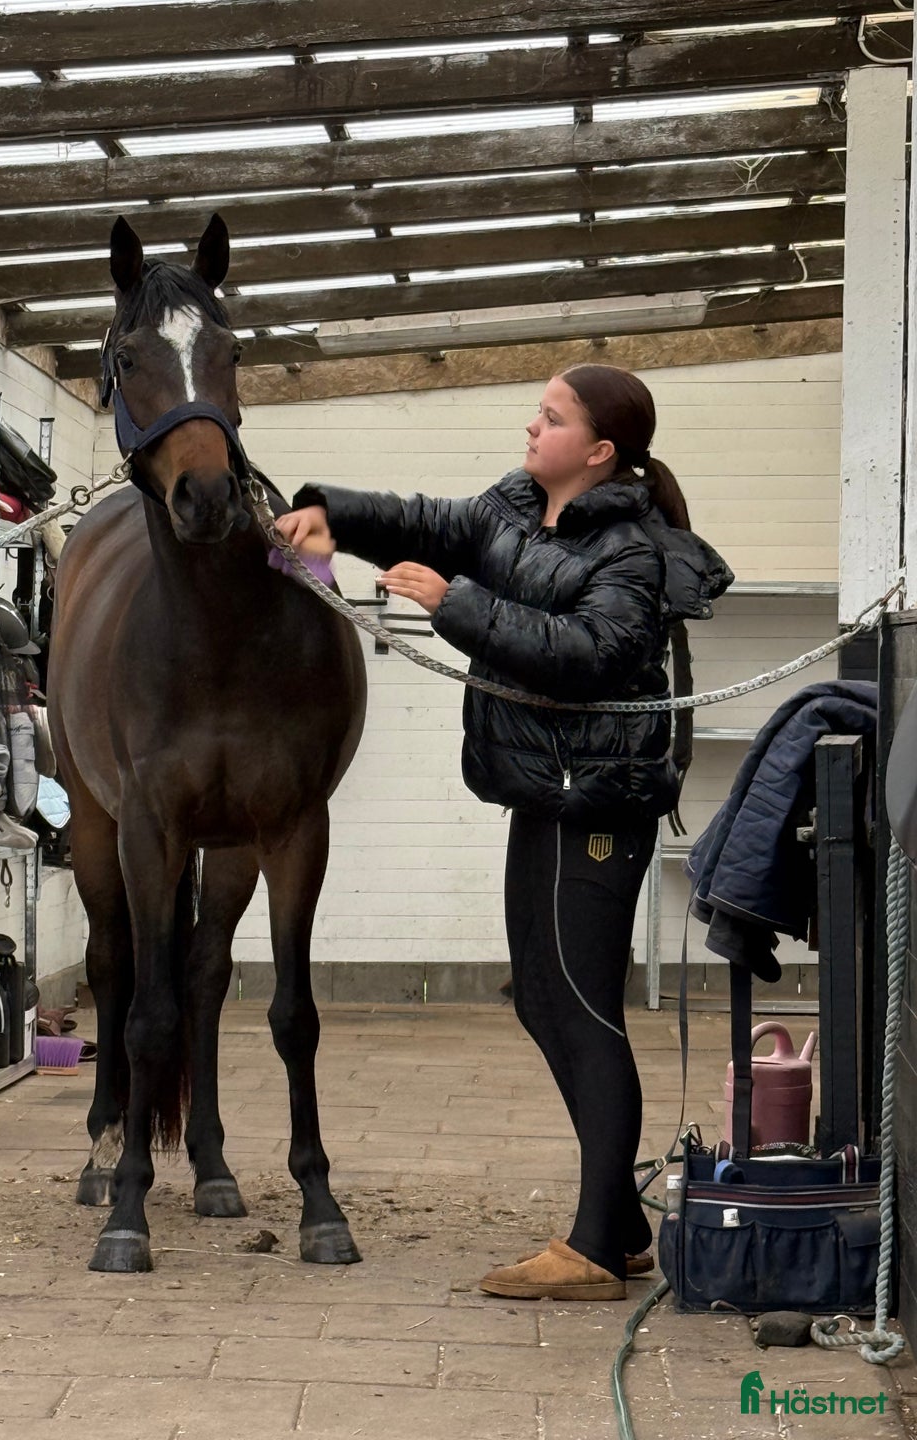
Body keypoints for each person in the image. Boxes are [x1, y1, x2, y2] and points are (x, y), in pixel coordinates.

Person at [276, 364, 732, 1301]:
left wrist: (456, 606)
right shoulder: (515, 506)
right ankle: (619, 1225)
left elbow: (588, 657)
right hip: (543, 791)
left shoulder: (633, 552)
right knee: (540, 998)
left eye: (552, 417)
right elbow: (425, 520)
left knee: (583, 1011)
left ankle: (596, 1250)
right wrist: (328, 512)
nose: (533, 425)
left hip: (598, 803)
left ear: (599, 451)